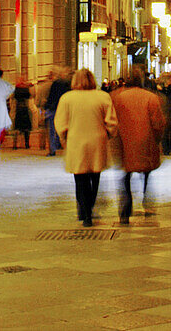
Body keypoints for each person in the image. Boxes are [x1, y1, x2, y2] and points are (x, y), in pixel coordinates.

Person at [54, 68, 117, 227]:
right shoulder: (102, 97)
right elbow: (111, 122)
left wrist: (63, 137)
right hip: (97, 141)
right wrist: (109, 134)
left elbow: (61, 123)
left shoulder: (67, 99)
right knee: (94, 178)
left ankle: (84, 211)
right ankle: (89, 208)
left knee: (80, 178)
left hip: (76, 142)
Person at [112, 67, 166, 225]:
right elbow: (158, 123)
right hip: (146, 142)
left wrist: (114, 141)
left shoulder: (118, 97)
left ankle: (125, 209)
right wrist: (157, 140)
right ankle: (147, 203)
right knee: (147, 174)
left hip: (125, 143)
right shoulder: (151, 98)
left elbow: (112, 120)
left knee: (125, 177)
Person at [42, 67, 70, 157]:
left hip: (54, 108)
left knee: (51, 129)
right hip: (63, 109)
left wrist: (46, 106)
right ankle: (60, 145)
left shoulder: (56, 84)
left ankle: (52, 149)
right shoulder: (68, 84)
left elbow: (51, 97)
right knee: (62, 128)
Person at [0, 69, 14, 145]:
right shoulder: (3, 83)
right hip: (1, 106)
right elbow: (12, 88)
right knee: (1, 124)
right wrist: (6, 96)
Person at [12, 78, 34, 149]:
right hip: (25, 109)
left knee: (17, 128)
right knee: (26, 129)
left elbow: (13, 99)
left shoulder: (16, 89)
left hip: (18, 109)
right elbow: (30, 97)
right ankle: (27, 144)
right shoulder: (26, 89)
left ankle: (14, 145)